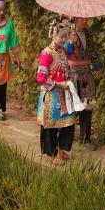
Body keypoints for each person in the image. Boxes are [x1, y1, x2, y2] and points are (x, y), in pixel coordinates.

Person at [37, 21, 76, 165]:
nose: (64, 40)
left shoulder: (62, 51)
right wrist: (59, 85)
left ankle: (61, 147)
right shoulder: (46, 54)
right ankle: (52, 153)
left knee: (68, 123)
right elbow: (41, 78)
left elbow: (71, 50)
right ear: (53, 35)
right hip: (53, 95)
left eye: (65, 37)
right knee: (51, 125)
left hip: (65, 94)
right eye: (61, 37)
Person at [67, 17, 103, 147]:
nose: (85, 21)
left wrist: (97, 65)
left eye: (86, 18)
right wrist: (69, 43)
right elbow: (61, 50)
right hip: (72, 73)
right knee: (71, 105)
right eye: (82, 18)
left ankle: (85, 138)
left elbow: (92, 51)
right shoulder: (67, 32)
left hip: (86, 73)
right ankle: (67, 136)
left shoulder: (88, 33)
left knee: (87, 105)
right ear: (76, 18)